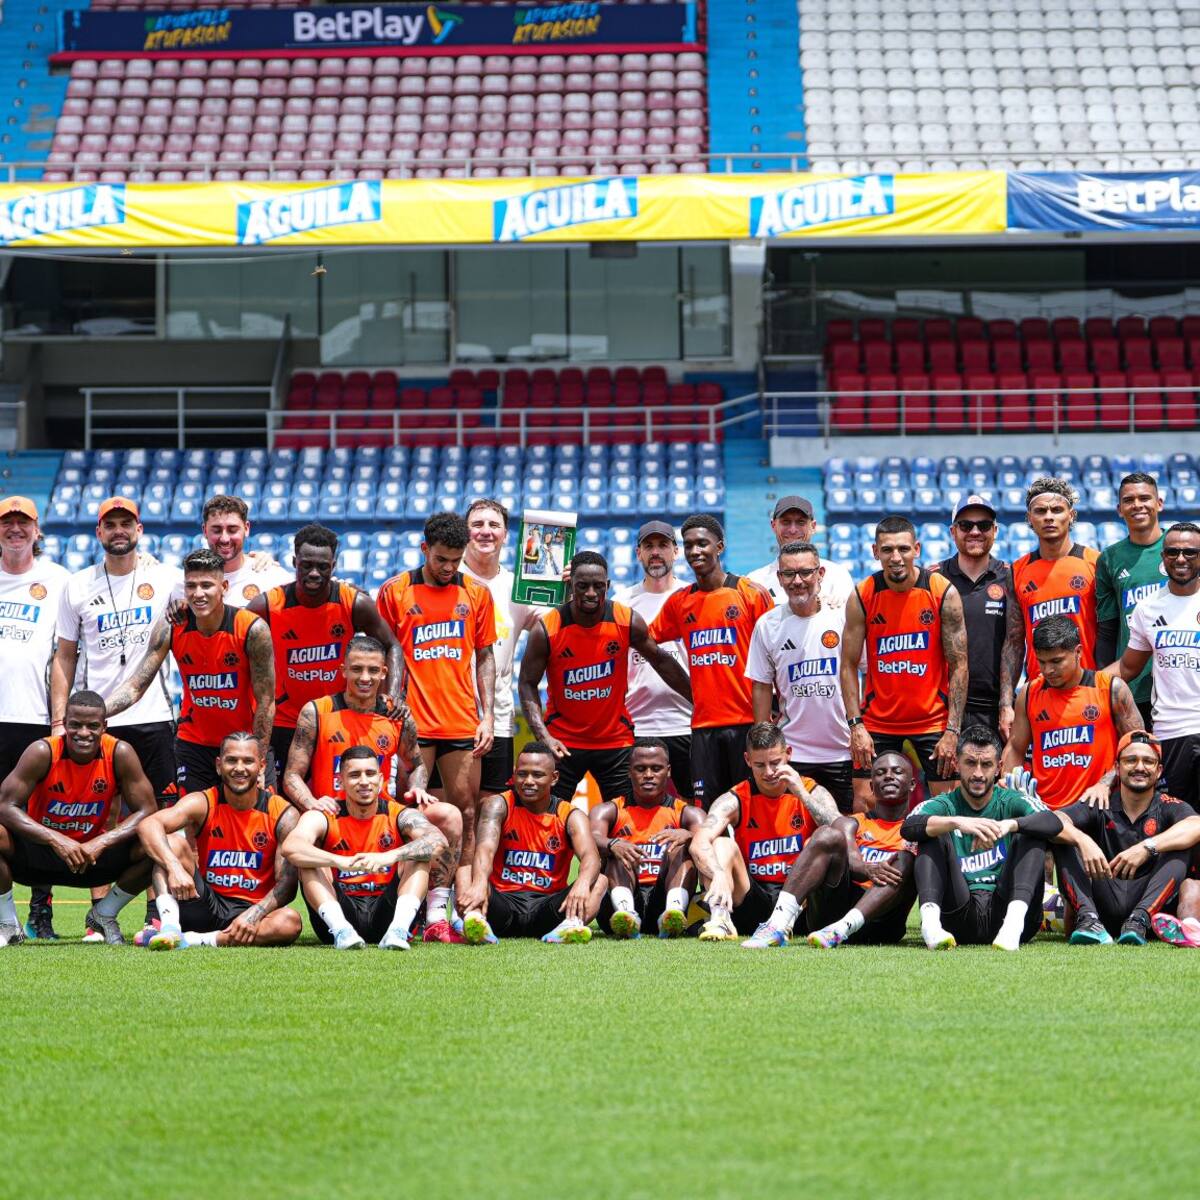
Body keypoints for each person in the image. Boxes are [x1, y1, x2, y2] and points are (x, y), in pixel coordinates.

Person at [282, 634, 464, 942]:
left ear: (384, 673)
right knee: (302, 844)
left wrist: (417, 789)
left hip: (382, 816)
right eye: (356, 670)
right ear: (343, 671)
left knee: (448, 816)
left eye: (372, 671)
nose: (364, 678)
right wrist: (312, 802)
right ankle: (340, 929)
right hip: (334, 818)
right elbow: (291, 776)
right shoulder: (318, 711)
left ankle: (434, 916)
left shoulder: (396, 713)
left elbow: (416, 764)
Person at [376, 511, 495, 896]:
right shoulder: (395, 591)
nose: (448, 567)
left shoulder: (476, 593)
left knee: (468, 814)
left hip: (461, 722)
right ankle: (403, 900)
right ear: (425, 548)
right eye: (440, 558)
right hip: (410, 724)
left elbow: (485, 656)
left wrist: (488, 715)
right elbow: (383, 653)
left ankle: (466, 900)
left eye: (455, 560)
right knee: (404, 813)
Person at [520, 550, 691, 806]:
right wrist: (543, 736)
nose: (591, 593)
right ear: (571, 585)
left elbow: (661, 660)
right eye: (583, 586)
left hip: (615, 741)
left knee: (625, 821)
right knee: (547, 816)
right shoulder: (547, 628)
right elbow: (526, 683)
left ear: (608, 586)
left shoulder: (626, 620)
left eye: (598, 586)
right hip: (563, 742)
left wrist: (699, 700)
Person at [105, 548, 275, 793]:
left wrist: (258, 759)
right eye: (191, 586)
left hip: (243, 744)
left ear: (224, 587)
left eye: (207, 585)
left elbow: (266, 701)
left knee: (258, 821)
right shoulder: (172, 626)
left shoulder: (252, 629)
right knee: (194, 821)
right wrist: (100, 711)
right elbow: (136, 686)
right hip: (194, 744)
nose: (198, 594)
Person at [0, 690, 156, 944]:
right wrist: (56, 839)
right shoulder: (42, 751)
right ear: (64, 722)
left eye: (92, 726)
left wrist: (102, 842)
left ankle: (104, 914)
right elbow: (5, 806)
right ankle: (7, 925)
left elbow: (148, 810)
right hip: (41, 855)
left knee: (158, 843)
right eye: (75, 725)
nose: (83, 733)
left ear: (104, 726)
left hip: (92, 857)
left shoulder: (120, 752)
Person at [247, 523, 401, 778]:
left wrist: (392, 696)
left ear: (334, 565)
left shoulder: (354, 603)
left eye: (323, 566)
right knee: (283, 802)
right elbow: (231, 639)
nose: (315, 573)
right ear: (294, 561)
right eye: (306, 565)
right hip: (284, 722)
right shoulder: (267, 605)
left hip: (336, 719)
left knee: (337, 801)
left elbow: (392, 645)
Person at [901, 726, 1065, 951]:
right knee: (931, 831)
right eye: (970, 763)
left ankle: (1012, 927)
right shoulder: (946, 804)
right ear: (957, 764)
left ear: (998, 768)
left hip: (1010, 914)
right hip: (958, 916)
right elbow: (908, 827)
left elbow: (1053, 822)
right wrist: (957, 822)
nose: (978, 773)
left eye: (986, 764)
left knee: (1031, 831)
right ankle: (930, 926)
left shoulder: (1010, 800)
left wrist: (1010, 824)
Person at [648, 515, 773, 807]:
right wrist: (687, 686)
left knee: (752, 808)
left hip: (748, 724)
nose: (695, 551)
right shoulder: (680, 602)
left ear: (720, 546)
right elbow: (648, 643)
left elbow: (775, 652)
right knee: (707, 814)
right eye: (688, 545)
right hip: (703, 727)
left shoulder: (750, 593)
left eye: (702, 544)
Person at [840, 515, 968, 799]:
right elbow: (848, 665)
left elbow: (959, 665)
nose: (895, 557)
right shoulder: (863, 595)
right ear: (875, 552)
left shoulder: (941, 592)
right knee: (866, 803)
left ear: (917, 549)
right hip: (878, 722)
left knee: (949, 807)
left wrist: (952, 731)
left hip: (933, 721)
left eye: (903, 549)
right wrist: (856, 725)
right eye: (887, 550)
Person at [137, 732, 301, 949]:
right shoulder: (204, 801)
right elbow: (148, 825)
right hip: (205, 902)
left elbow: (287, 885)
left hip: (253, 909)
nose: (239, 768)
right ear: (218, 765)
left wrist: (255, 914)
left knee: (290, 922)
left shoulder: (283, 813)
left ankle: (193, 940)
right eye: (231, 760)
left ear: (261, 766)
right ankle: (170, 928)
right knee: (171, 844)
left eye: (248, 761)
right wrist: (174, 867)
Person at [741, 750, 917, 948]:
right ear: (871, 787)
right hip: (830, 919)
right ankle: (776, 925)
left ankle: (845, 927)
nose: (889, 776)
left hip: (882, 924)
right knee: (826, 834)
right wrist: (869, 869)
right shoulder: (851, 823)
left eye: (897, 771)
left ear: (912, 784)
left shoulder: (917, 827)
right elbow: (854, 863)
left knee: (907, 855)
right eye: (881, 772)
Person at [282, 745, 452, 950]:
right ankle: (342, 932)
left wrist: (389, 857)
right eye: (354, 775)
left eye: (370, 774)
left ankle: (398, 931)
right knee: (309, 861)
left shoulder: (399, 814)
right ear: (341, 781)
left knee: (419, 854)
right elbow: (291, 847)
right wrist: (339, 861)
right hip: (339, 911)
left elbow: (439, 841)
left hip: (386, 913)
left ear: (380, 780)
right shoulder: (324, 815)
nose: (364, 781)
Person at [688, 722, 839, 940]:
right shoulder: (735, 799)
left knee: (817, 841)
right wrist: (717, 873)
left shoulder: (812, 790)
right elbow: (699, 843)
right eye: (759, 765)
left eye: (775, 763)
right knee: (721, 844)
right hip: (754, 897)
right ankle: (720, 920)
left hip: (802, 902)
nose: (768, 772)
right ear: (748, 760)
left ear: (788, 754)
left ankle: (784, 922)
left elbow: (840, 834)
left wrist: (802, 795)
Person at [1052, 731, 1200, 946]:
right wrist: (1082, 840)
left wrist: (1147, 847)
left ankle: (1140, 919)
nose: (1140, 767)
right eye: (1131, 760)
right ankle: (1088, 920)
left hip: (1150, 911)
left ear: (1159, 771)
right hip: (1103, 901)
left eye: (1148, 761)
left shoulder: (1169, 805)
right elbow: (1055, 820)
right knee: (1064, 837)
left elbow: (1196, 825)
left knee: (1180, 845)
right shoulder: (1099, 802)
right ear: (1117, 768)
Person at [0, 495, 71, 940]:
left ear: (37, 531)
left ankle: (40, 910)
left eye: (23, 523)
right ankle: (5, 914)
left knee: (37, 818)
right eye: (7, 523)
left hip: (33, 717)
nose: (15, 530)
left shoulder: (59, 580)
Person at [457, 741, 606, 944]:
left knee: (599, 881)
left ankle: (568, 928)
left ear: (554, 778)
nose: (528, 781)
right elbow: (485, 850)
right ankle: (475, 921)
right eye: (522, 774)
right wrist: (480, 882)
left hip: (547, 909)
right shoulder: (498, 805)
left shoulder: (570, 814)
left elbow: (592, 857)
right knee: (466, 870)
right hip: (502, 904)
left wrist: (581, 883)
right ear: (514, 774)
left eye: (537, 775)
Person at [747, 540, 853, 812]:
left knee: (846, 829)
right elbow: (761, 686)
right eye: (788, 574)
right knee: (794, 831)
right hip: (793, 753)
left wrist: (860, 727)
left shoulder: (842, 618)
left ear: (820, 574)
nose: (797, 581)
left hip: (842, 750)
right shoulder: (767, 625)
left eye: (805, 572)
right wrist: (764, 743)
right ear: (779, 578)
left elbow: (860, 672)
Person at [1002, 615, 1142, 810]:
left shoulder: (1110, 689)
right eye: (1041, 662)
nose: (1048, 670)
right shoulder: (1030, 693)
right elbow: (1016, 748)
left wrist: (1106, 782)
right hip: (1045, 810)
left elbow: (1138, 746)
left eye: (1056, 661)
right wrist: (1007, 789)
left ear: (1078, 652)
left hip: (1098, 806)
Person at [460, 498, 545, 803]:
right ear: (464, 532)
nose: (486, 532)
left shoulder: (518, 586)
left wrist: (567, 589)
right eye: (477, 524)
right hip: (450, 716)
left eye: (494, 525)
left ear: (507, 534)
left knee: (491, 810)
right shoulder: (446, 578)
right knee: (453, 812)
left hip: (497, 716)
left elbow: (552, 628)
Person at [1113, 522, 1200, 807]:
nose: (1181, 559)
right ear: (1163, 557)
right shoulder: (1148, 608)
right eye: (1173, 552)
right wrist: (1084, 681)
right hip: (1171, 733)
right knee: (1179, 822)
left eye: (1190, 552)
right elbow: (1128, 668)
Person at [588, 738, 704, 938]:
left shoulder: (687, 813)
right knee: (617, 850)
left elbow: (712, 840)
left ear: (668, 771)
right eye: (640, 769)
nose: (648, 775)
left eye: (656, 768)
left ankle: (673, 913)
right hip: (620, 900)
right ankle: (626, 915)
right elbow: (590, 839)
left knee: (684, 846)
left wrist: (690, 836)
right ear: (629, 771)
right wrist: (613, 843)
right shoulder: (609, 810)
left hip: (664, 897)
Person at [612, 521, 694, 799]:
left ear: (676, 551)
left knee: (698, 809)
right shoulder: (621, 603)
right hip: (638, 725)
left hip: (688, 723)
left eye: (663, 545)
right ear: (638, 553)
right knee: (633, 813)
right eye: (649, 546)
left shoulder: (693, 596)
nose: (656, 552)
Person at [932, 495, 1023, 740]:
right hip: (941, 709)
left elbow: (1015, 642)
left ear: (994, 530)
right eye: (965, 525)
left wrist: (1007, 705)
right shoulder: (932, 579)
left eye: (983, 525)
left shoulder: (1011, 577)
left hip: (997, 708)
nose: (975, 531)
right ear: (953, 531)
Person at [1095, 473, 1166, 730]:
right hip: (1132, 688)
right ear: (1119, 509)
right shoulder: (1109, 559)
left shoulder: (1182, 550)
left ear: (1159, 503)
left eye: (1145, 498)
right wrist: (1107, 684)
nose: (1137, 505)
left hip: (1180, 685)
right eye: (1129, 500)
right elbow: (1107, 629)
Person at [1011, 477, 1100, 681]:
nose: (1049, 517)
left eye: (1057, 510)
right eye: (1040, 511)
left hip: (1087, 687)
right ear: (1029, 518)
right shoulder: (1017, 571)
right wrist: (1007, 701)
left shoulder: (1096, 563)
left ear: (1071, 515)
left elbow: (1109, 633)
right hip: (1039, 689)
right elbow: (1013, 641)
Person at [747, 495, 855, 610]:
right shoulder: (756, 580)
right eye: (786, 522)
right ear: (774, 526)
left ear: (813, 526)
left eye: (801, 522)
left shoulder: (838, 575)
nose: (793, 530)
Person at [199, 494, 292, 605]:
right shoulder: (188, 584)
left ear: (246, 528)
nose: (224, 539)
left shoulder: (273, 578)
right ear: (205, 531)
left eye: (232, 530)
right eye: (217, 530)